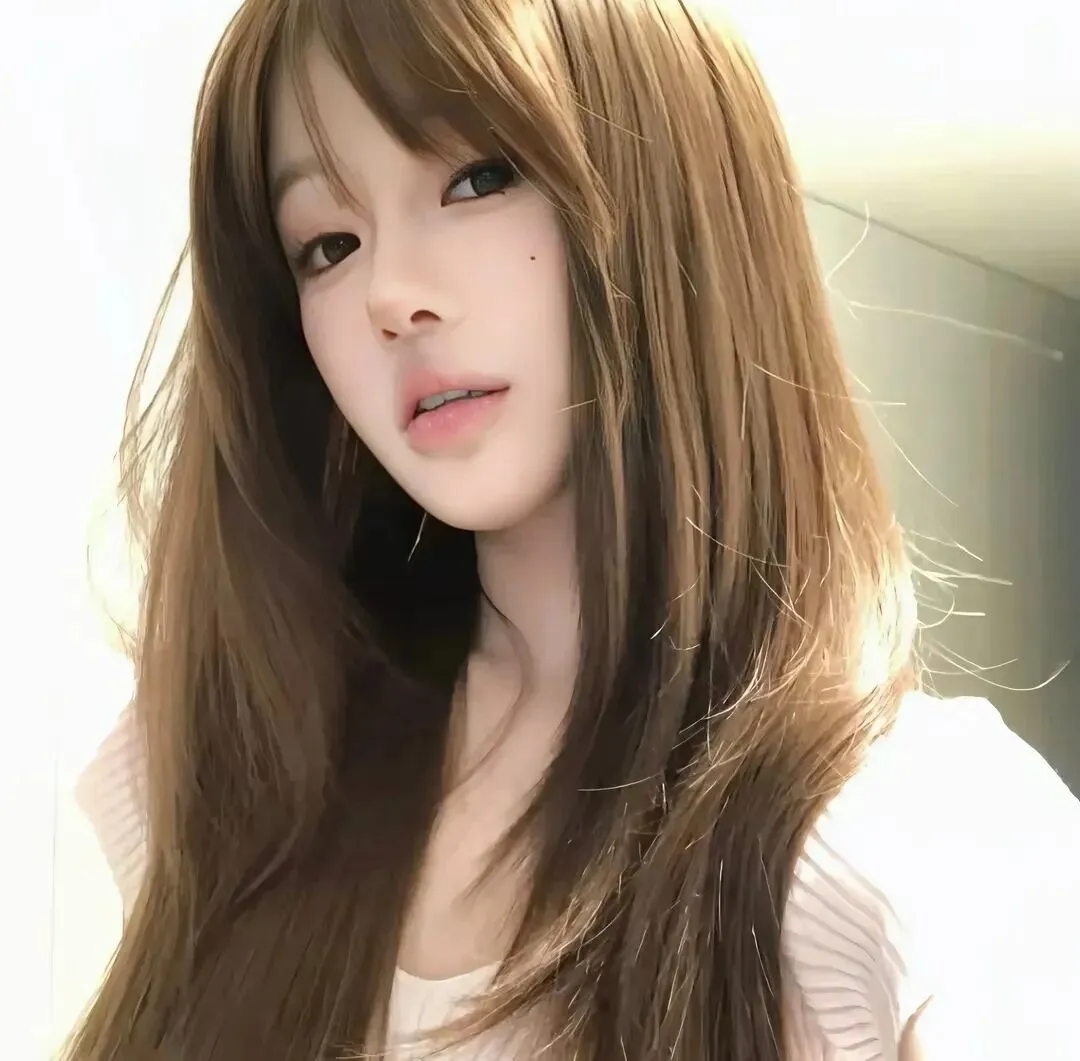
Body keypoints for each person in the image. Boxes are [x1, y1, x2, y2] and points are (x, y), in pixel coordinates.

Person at [67, 1, 1080, 1059]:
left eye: (477, 179)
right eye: (329, 243)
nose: (390, 295)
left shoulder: (922, 844)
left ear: (674, 197)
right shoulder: (236, 774)